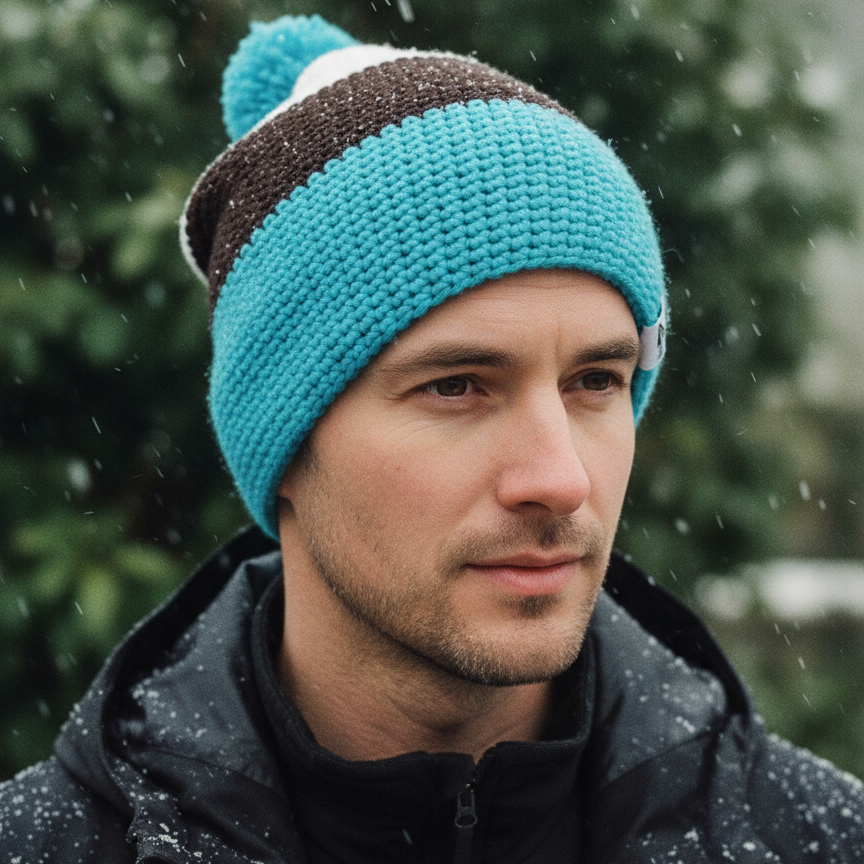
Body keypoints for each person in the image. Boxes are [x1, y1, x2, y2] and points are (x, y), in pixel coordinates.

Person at [1, 14, 861, 863]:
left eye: (597, 381)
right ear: (286, 441)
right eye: (456, 386)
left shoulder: (816, 838)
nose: (558, 478)